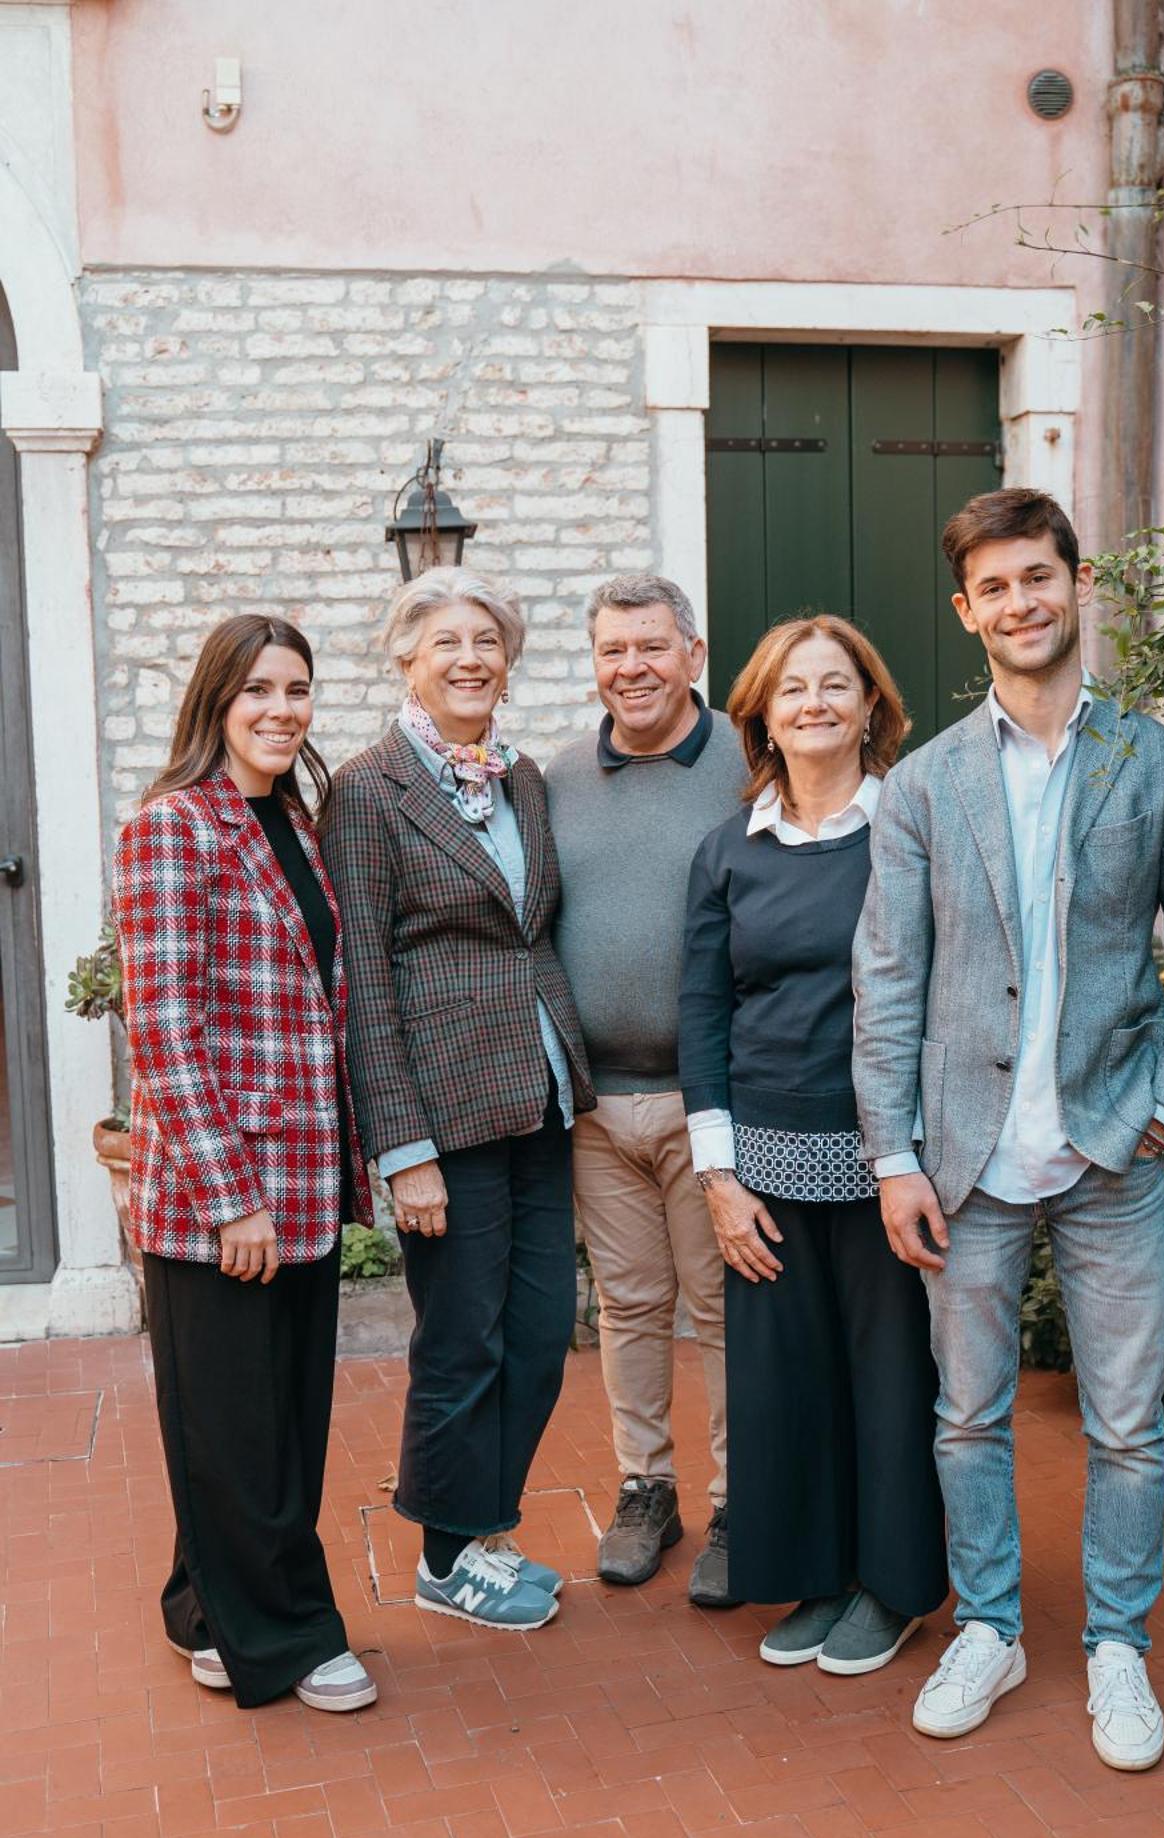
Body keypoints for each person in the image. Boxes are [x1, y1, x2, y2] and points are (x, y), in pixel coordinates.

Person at [853, 488, 1164, 1769]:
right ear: (964, 611)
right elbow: (889, 980)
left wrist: (1161, 1114)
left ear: (1079, 586)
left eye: (1041, 576)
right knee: (965, 1418)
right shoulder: (920, 786)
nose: (1021, 602)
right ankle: (991, 1625)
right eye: (995, 586)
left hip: (1110, 1158)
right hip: (964, 1163)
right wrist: (894, 1155)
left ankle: (1117, 1645)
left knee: (1126, 1423)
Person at [113, 614, 378, 1713]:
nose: (281, 709)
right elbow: (163, 1027)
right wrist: (232, 1199)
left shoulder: (297, 827)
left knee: (279, 1419)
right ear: (216, 699)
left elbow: (319, 1006)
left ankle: (202, 1602)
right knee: (236, 1426)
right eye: (258, 689)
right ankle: (286, 1633)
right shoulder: (173, 828)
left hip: (304, 1180)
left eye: (299, 690)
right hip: (220, 1195)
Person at [323, 567, 594, 1634]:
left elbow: (536, 931)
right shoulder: (367, 787)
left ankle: (482, 1523)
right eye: (446, 641)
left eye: (487, 639)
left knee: (539, 1334)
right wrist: (404, 1149)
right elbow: (367, 985)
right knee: (461, 1341)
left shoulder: (521, 779)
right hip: (445, 1112)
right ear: (406, 660)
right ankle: (445, 1553)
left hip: (541, 1093)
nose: (471, 657)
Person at [678, 615, 947, 1673]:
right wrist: (720, 1176)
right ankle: (818, 1575)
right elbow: (700, 1012)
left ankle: (893, 1586)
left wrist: (917, 1156)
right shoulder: (726, 850)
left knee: (886, 1378)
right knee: (785, 1384)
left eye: (836, 685)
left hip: (888, 1155)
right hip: (766, 1163)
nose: (814, 703)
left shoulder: (910, 830)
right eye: (792, 689)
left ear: (872, 706)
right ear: (760, 714)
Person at [546, 575, 745, 1605]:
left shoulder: (750, 763)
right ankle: (646, 1488)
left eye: (652, 647)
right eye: (613, 649)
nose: (632, 667)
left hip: (711, 1100)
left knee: (719, 1307)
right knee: (627, 1305)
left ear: (694, 653)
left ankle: (739, 1501)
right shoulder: (557, 776)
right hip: (594, 1106)